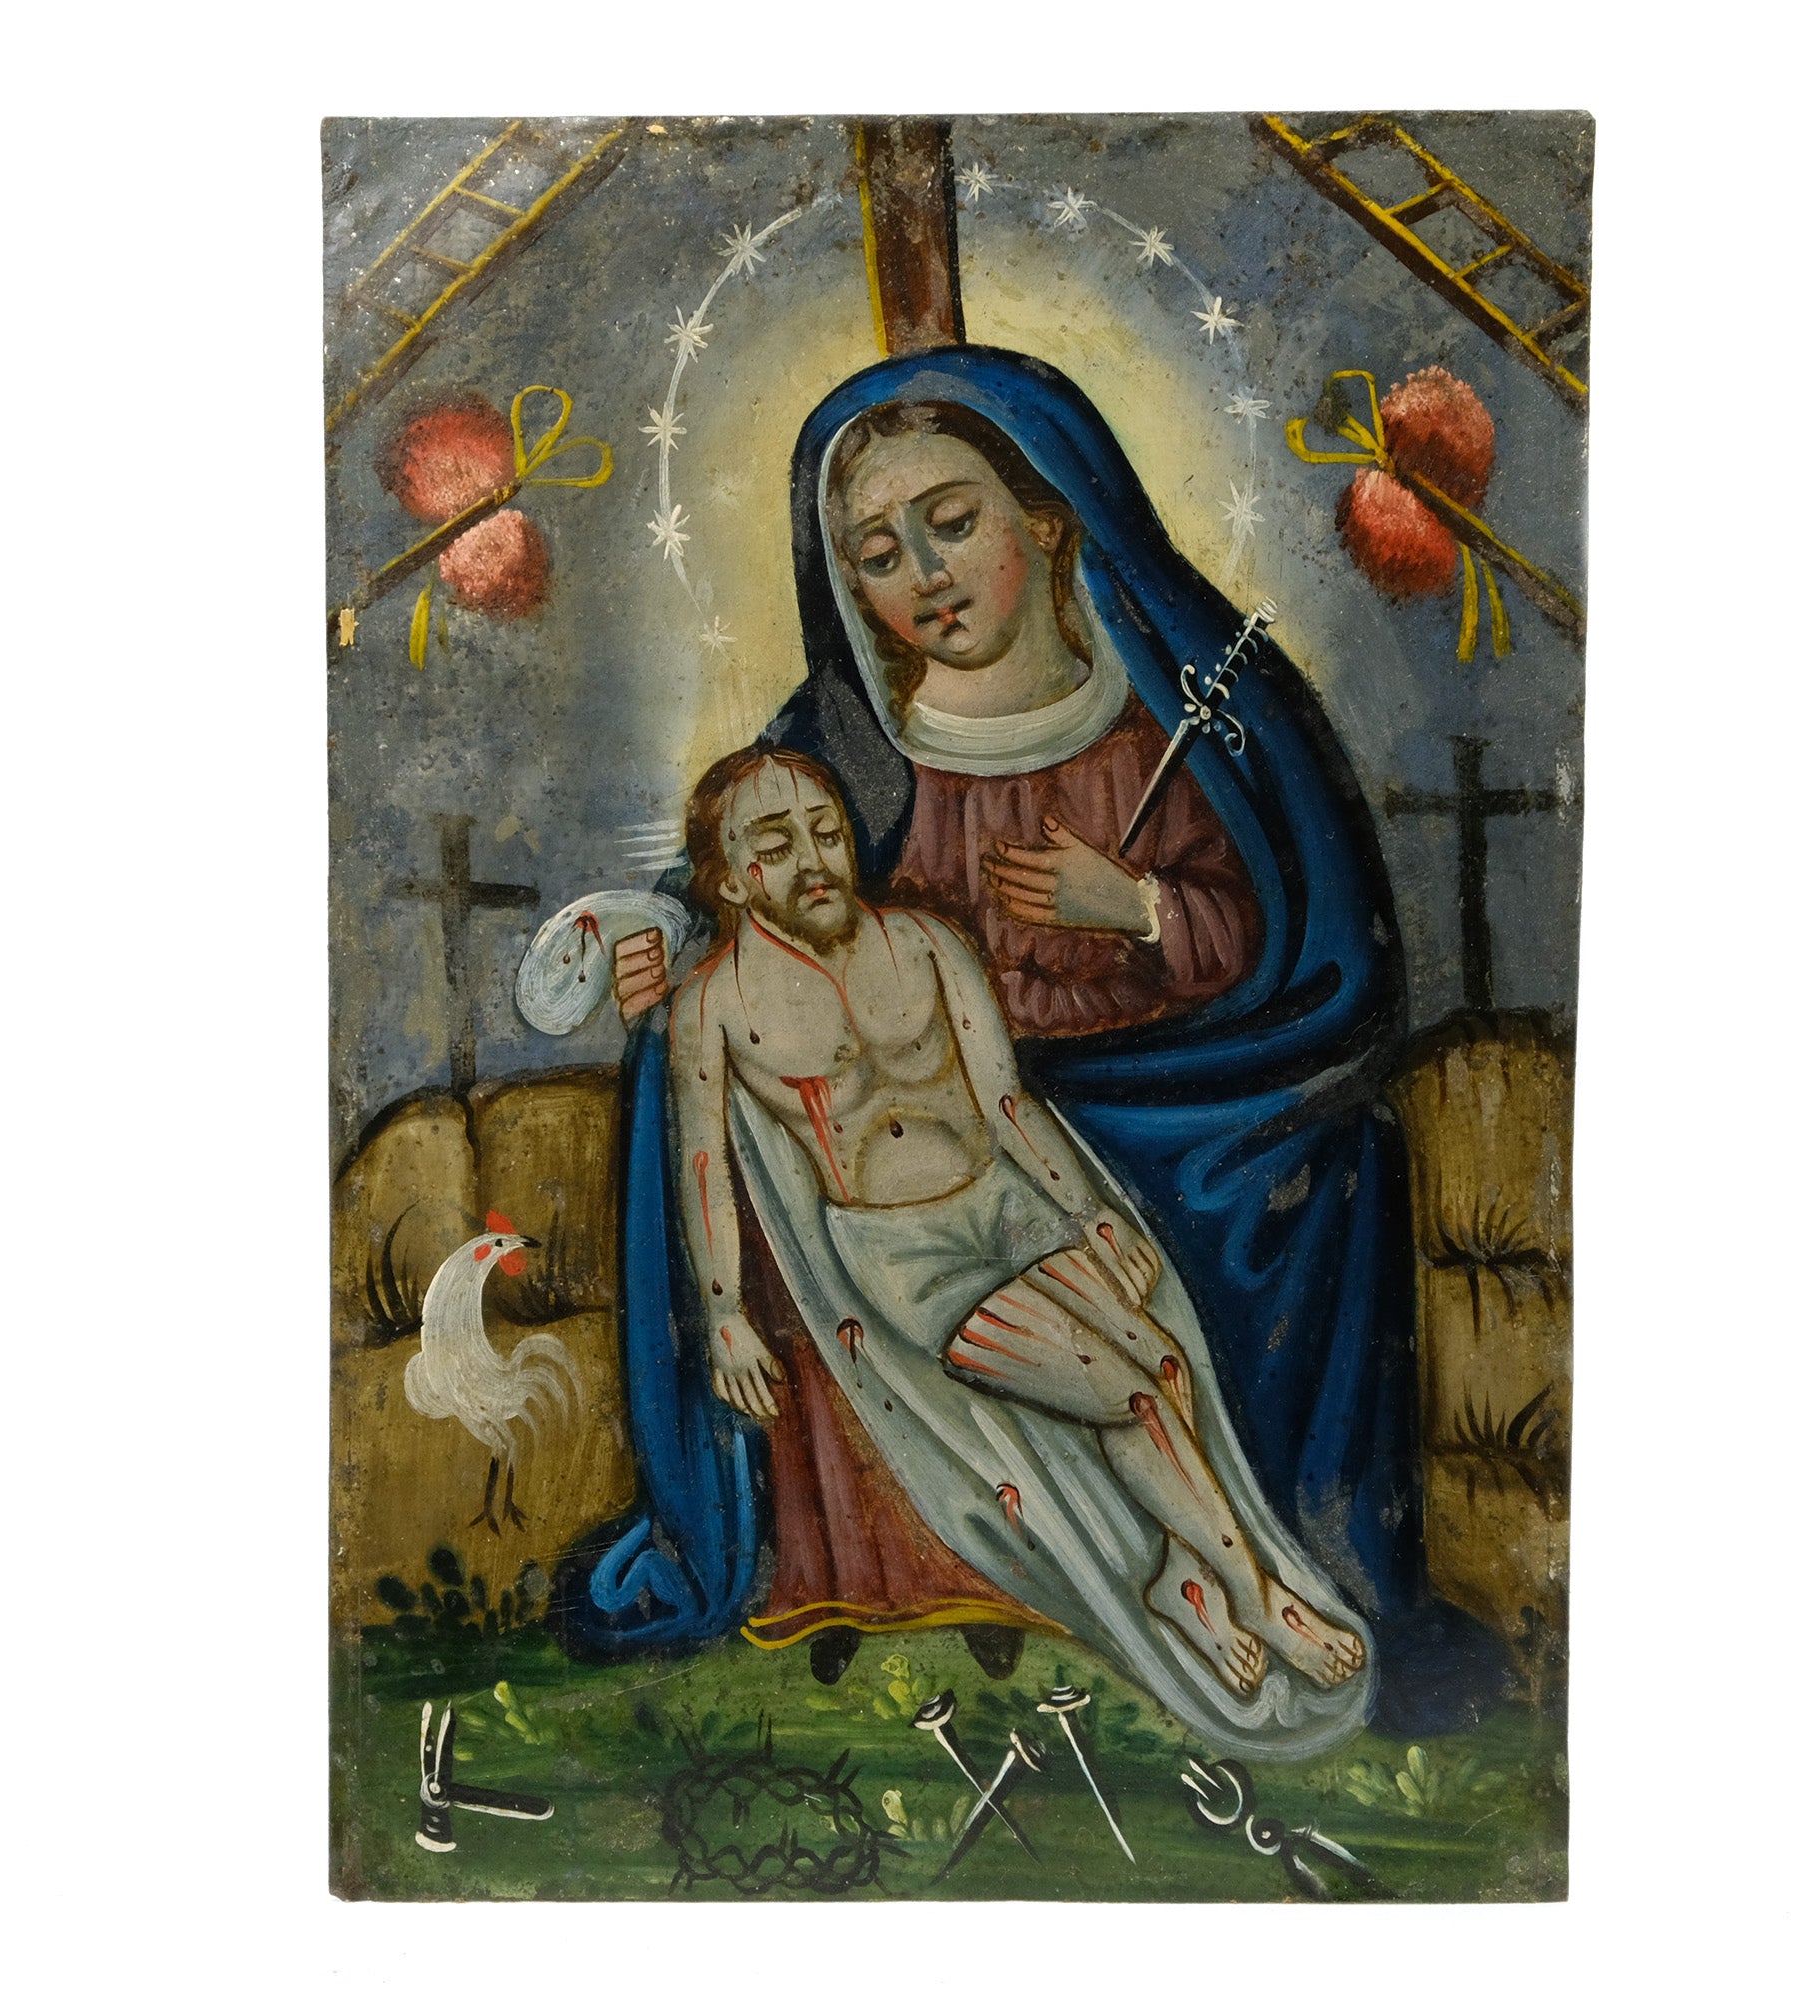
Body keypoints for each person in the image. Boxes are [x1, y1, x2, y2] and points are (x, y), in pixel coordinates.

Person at [583, 349, 1504, 1733]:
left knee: (1331, 1168)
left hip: (1175, 1091)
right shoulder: (852, 740)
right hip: (957, 1129)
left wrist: (1133, 905)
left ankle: (1247, 1569)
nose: (922, 577)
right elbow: (733, 876)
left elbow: (1297, 935)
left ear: (1052, 519)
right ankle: (1144, 1579)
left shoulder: (1179, 719)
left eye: (953, 523)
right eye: (876, 554)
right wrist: (658, 941)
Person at [662, 742, 1369, 1754]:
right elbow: (703, 1164)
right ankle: (1258, 1597)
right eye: (774, 846)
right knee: (1128, 1391)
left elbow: (1005, 1102)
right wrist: (726, 1311)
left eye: (825, 833)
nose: (812, 862)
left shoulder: (925, 945)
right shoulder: (714, 1006)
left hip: (1009, 1209)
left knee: (1164, 1364)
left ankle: (1184, 1581)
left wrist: (1089, 1213)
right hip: (910, 1259)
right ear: (730, 879)